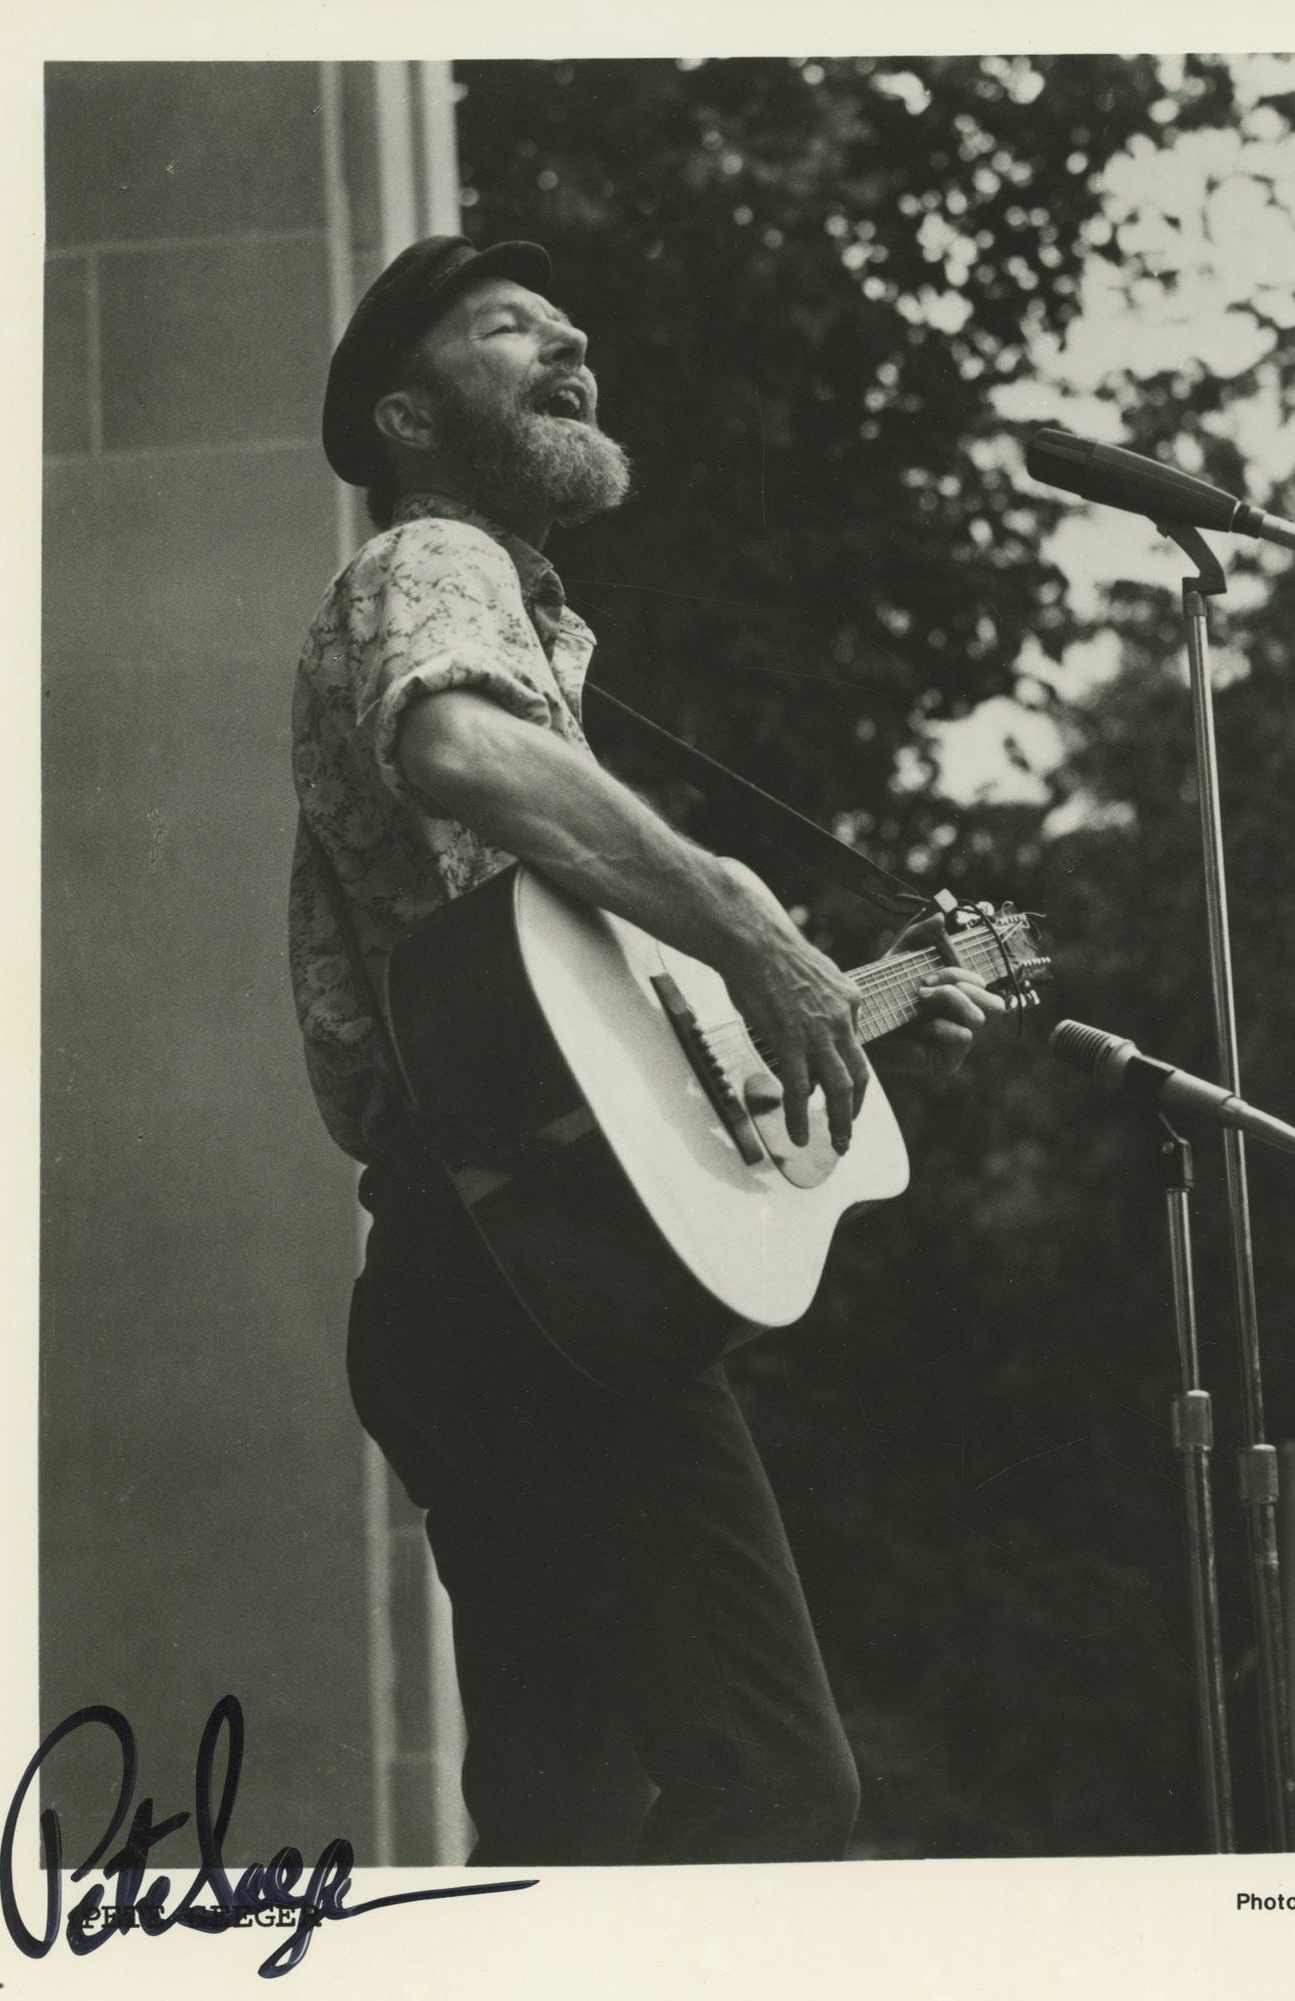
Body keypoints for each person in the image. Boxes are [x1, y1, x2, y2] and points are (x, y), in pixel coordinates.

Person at [288, 235, 1004, 1865]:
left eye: (571, 322)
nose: (570, 339)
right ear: (406, 417)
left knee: (560, 1818)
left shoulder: (541, 651)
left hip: (481, 1268)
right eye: (508, 326)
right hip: (538, 1289)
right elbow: (459, 742)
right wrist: (756, 929)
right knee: (779, 1784)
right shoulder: (433, 567)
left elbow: (606, 1065)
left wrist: (862, 1002)